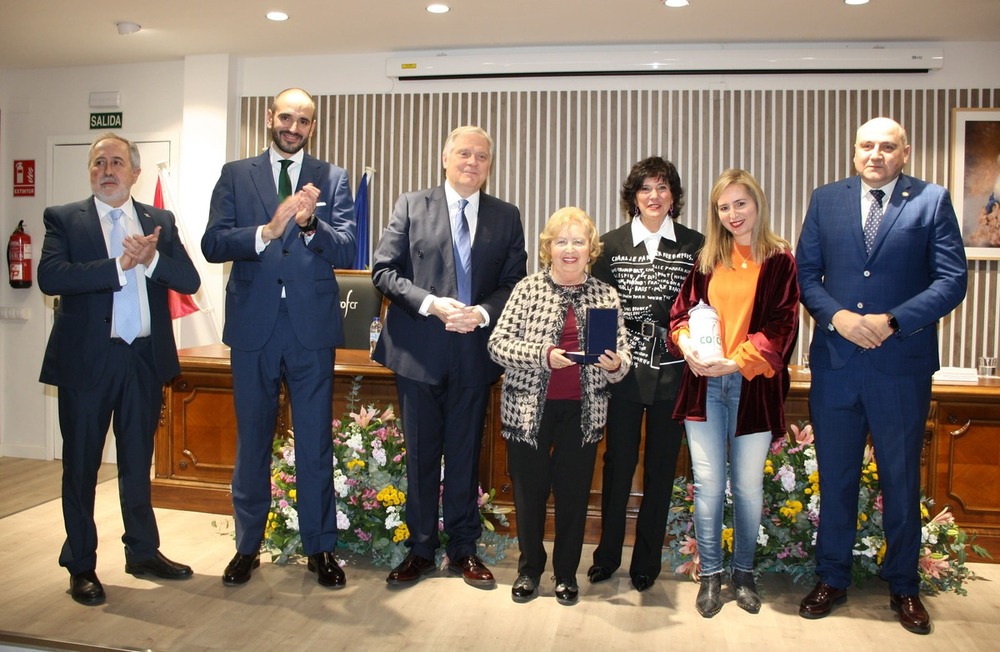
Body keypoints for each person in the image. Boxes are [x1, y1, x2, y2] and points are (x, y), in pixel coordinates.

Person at [796, 117, 967, 635]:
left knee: (900, 479)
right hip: (837, 365)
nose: (876, 154)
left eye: (887, 147)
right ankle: (832, 578)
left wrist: (893, 321)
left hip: (901, 365)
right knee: (837, 478)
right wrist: (838, 317)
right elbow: (807, 275)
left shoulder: (932, 201)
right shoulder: (826, 199)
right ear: (853, 152)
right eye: (867, 145)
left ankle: (904, 586)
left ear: (905, 153)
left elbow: (952, 278)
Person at [202, 88, 356, 589]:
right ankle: (248, 546)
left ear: (314, 125)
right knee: (253, 443)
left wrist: (312, 225)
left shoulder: (333, 177)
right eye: (286, 117)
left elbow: (349, 245)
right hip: (254, 327)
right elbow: (212, 242)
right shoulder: (234, 174)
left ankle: (320, 548)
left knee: (314, 443)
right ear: (270, 118)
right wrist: (264, 232)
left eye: (304, 121)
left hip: (311, 328)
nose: (293, 127)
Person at [38, 132, 202, 606]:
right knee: (82, 466)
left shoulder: (158, 221)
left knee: (136, 462)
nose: (106, 170)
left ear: (135, 172)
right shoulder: (65, 219)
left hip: (143, 360)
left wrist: (151, 259)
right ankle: (82, 565)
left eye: (116, 163)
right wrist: (117, 266)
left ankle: (143, 552)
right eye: (97, 163)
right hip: (88, 362)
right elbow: (52, 277)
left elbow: (189, 279)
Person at [372, 125, 527, 590]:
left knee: (463, 455)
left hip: (474, 352)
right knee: (421, 456)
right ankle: (420, 549)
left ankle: (463, 549)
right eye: (464, 153)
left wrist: (480, 312)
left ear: (489, 165)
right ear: (445, 157)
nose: (472, 162)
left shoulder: (506, 215)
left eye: (481, 156)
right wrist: (431, 304)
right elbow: (383, 270)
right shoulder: (411, 204)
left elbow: (513, 281)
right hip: (419, 350)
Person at [667, 168, 800, 618]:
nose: (732, 214)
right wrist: (685, 345)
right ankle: (710, 576)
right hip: (702, 385)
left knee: (746, 488)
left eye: (740, 203)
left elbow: (783, 327)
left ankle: (743, 573)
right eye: (723, 207)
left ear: (757, 203)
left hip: (752, 387)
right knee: (707, 486)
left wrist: (735, 361)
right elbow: (679, 316)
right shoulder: (706, 259)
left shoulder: (780, 259)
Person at [488, 207, 631, 606]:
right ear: (548, 248)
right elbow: (497, 345)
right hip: (529, 410)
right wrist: (542, 354)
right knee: (529, 494)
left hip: (583, 412)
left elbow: (623, 353)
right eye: (561, 241)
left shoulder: (606, 294)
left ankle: (566, 574)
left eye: (579, 241)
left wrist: (617, 364)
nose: (570, 249)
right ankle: (530, 569)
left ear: (592, 249)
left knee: (573, 494)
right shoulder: (527, 289)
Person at [588, 156, 704, 593]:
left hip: (675, 370)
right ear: (632, 197)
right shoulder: (609, 245)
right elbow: (599, 310)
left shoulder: (697, 246)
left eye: (662, 188)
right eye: (645, 189)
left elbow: (704, 310)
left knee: (660, 469)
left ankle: (646, 561)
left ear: (673, 196)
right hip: (623, 370)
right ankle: (606, 556)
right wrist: (604, 358)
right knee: (618, 465)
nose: (653, 197)